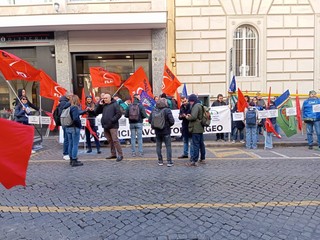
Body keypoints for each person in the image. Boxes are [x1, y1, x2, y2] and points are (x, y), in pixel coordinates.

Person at [95, 93, 123, 161]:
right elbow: (96, 112)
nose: (104, 100)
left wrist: (112, 120)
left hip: (113, 125)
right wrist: (99, 105)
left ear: (110, 98)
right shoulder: (103, 105)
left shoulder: (115, 104)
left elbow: (119, 113)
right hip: (105, 125)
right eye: (104, 98)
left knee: (115, 140)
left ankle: (120, 154)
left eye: (106, 98)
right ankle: (113, 154)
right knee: (110, 140)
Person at [148, 98, 175, 167]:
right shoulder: (167, 110)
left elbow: (149, 120)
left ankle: (160, 161)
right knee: (168, 147)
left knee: (158, 146)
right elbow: (172, 121)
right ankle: (169, 161)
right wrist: (167, 125)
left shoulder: (154, 110)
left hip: (157, 131)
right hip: (166, 131)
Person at [63, 94, 83, 167]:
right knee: (75, 144)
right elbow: (75, 118)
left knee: (70, 144)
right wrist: (79, 125)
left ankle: (71, 159)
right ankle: (74, 160)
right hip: (74, 128)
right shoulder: (74, 107)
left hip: (68, 127)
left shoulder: (67, 107)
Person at [186, 94, 206, 166]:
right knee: (201, 144)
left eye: (190, 101)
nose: (190, 103)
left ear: (192, 101)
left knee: (196, 145)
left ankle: (194, 161)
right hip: (200, 128)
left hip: (196, 128)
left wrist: (187, 117)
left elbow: (193, 117)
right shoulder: (200, 105)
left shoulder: (196, 106)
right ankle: (202, 158)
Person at [57, 94, 71, 160]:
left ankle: (67, 152)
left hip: (64, 122)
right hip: (66, 122)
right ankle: (66, 153)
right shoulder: (64, 103)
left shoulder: (62, 102)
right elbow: (62, 113)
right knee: (67, 138)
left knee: (67, 138)